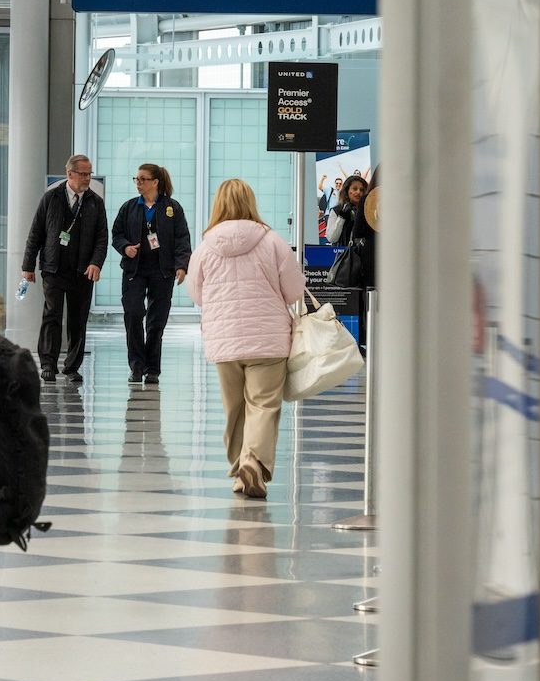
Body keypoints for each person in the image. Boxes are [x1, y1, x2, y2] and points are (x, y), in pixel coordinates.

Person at [190, 178, 304, 500]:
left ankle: (241, 470)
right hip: (268, 341)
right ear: (251, 202)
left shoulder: (206, 246)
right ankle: (252, 462)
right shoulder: (273, 241)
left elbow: (197, 294)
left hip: (224, 342)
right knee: (264, 405)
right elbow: (295, 290)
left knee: (235, 407)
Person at [21, 154, 108, 383]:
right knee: (52, 316)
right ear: (70, 174)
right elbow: (36, 233)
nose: (88, 178)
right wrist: (27, 266)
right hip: (54, 268)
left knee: (78, 320)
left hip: (83, 271)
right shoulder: (51, 198)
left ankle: (72, 367)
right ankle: (48, 364)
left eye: (89, 174)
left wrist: (96, 263)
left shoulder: (95, 203)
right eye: (83, 174)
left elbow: (102, 238)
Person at [111, 163, 193, 385]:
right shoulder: (129, 207)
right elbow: (116, 234)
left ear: (155, 182)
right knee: (134, 314)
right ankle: (136, 366)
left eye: (143, 179)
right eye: (136, 179)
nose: (138, 183)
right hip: (134, 271)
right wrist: (125, 247)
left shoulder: (172, 208)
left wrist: (181, 265)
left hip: (162, 271)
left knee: (156, 322)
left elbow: (182, 239)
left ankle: (153, 369)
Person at [330, 173, 376, 286]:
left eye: (362, 189)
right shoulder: (337, 210)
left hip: (367, 261)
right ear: (347, 191)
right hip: (348, 260)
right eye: (354, 189)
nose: (358, 192)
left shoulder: (372, 211)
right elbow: (332, 237)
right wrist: (342, 217)